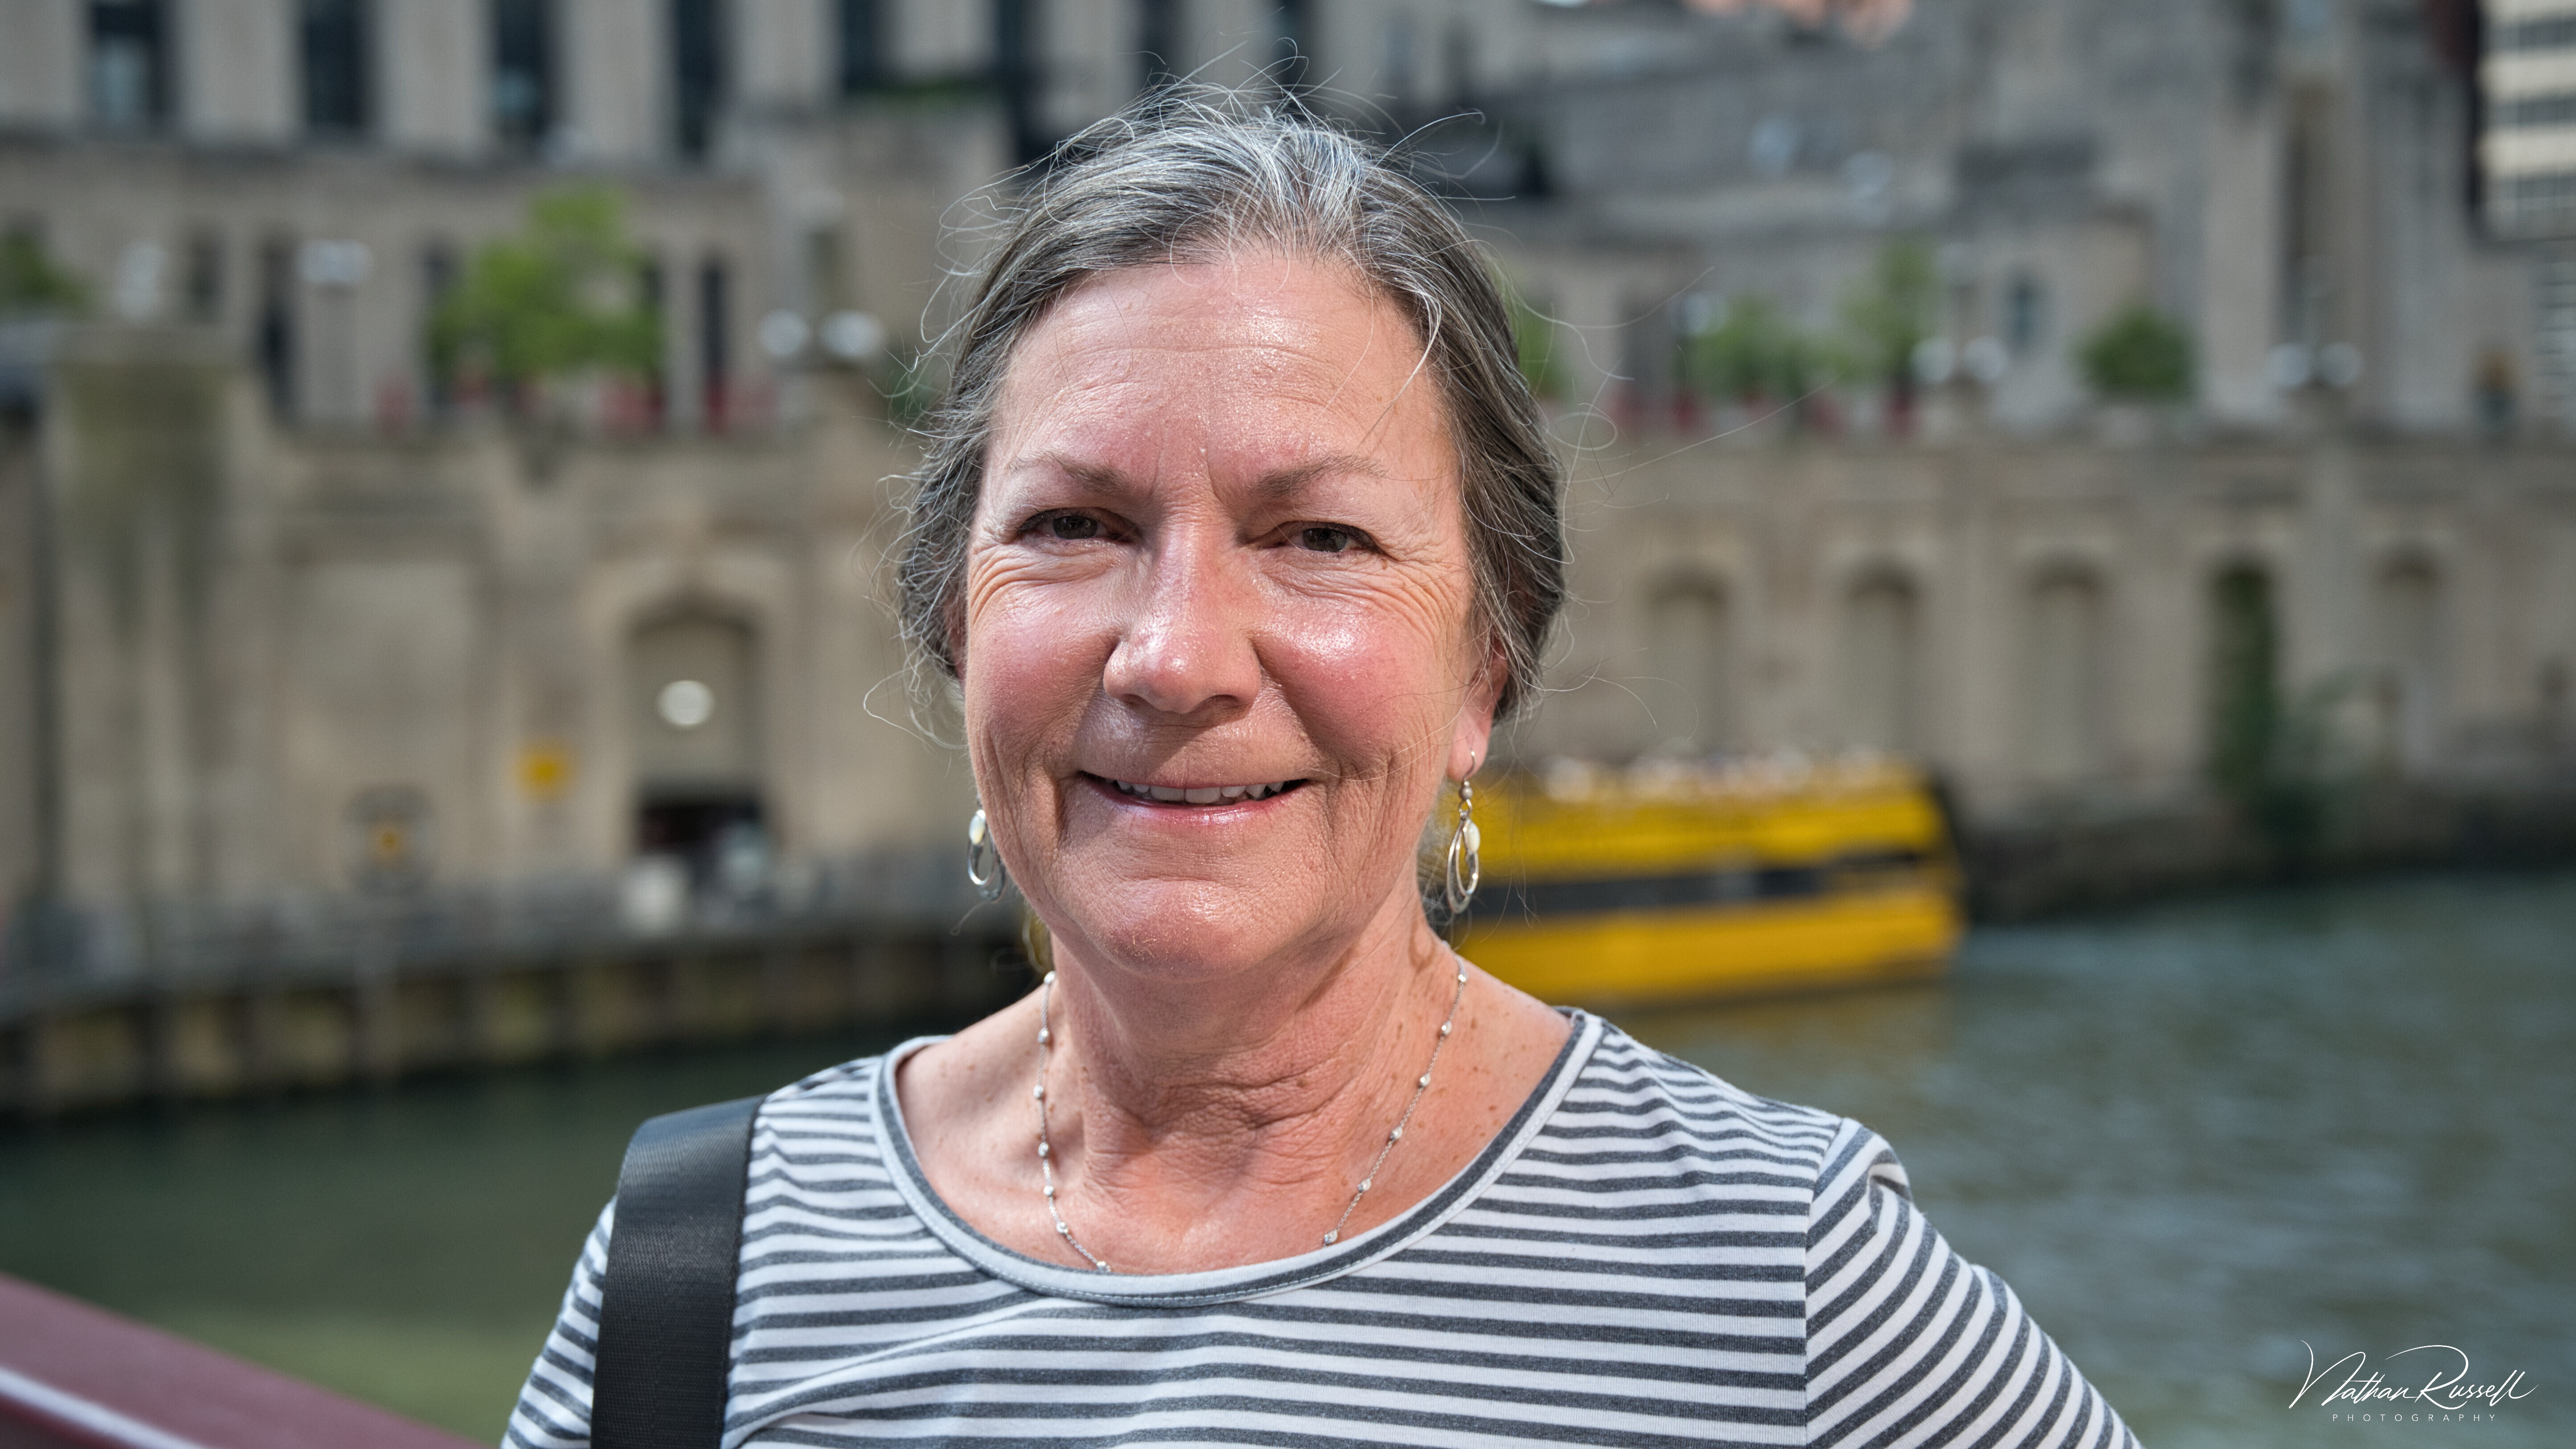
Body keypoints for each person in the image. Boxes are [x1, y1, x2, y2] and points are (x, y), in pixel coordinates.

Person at [509, 97, 2138, 1448]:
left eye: (1319, 537)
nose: (1174, 655)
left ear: (1482, 666)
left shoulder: (1782, 1283)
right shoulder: (702, 1265)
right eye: (1074, 524)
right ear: (956, 615)